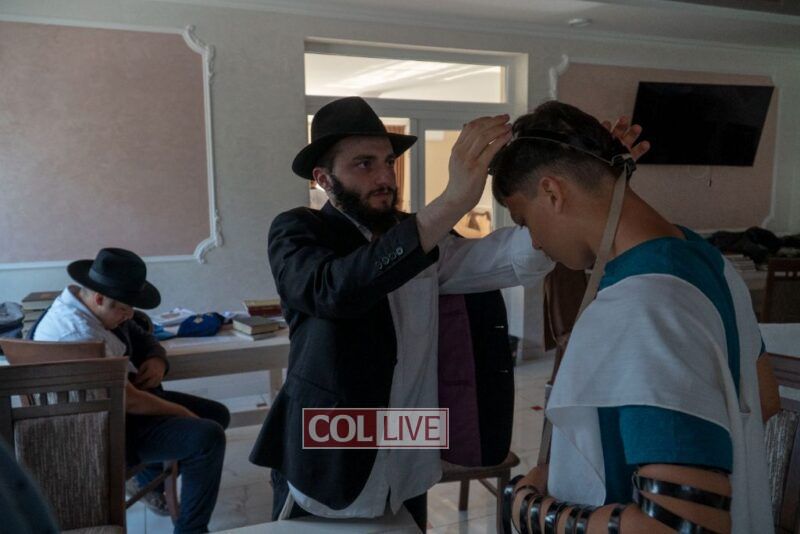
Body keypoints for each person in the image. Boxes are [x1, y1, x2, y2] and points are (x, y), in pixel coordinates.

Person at [249, 96, 555, 529]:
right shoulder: (299, 229)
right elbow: (333, 290)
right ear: (323, 178)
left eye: (389, 163)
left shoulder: (420, 237)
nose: (384, 178)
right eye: (364, 164)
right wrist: (452, 201)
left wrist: (572, 198)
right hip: (331, 451)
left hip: (411, 448)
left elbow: (502, 259)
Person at [491, 101, 775, 533]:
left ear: (551, 193)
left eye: (524, 221)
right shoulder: (711, 262)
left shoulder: (644, 304)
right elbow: (764, 400)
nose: (534, 241)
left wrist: (531, 508)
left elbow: (679, 525)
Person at [33, 247, 230, 534]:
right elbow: (130, 401)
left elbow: (141, 335)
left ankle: (149, 479)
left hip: (116, 410)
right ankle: (191, 530)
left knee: (217, 414)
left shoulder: (89, 307)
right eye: (125, 310)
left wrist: (157, 359)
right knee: (207, 436)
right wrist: (181, 412)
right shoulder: (76, 333)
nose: (128, 317)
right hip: (94, 432)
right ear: (100, 298)